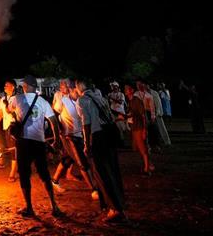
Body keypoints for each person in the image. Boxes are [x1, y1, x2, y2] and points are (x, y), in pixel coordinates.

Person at [10, 76, 64, 219]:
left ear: (26, 86)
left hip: (23, 142)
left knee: (24, 174)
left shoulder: (17, 99)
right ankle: (54, 205)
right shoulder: (43, 102)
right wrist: (57, 139)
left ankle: (29, 207)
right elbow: (53, 121)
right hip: (39, 141)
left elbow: (9, 108)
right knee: (44, 174)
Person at [75, 80, 126, 223]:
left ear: (80, 88)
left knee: (102, 172)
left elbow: (86, 124)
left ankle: (114, 209)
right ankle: (116, 203)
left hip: (98, 137)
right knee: (112, 169)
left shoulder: (83, 100)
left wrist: (86, 144)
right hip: (109, 135)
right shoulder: (100, 96)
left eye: (75, 87)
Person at [52, 79, 99, 200]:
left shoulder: (80, 101)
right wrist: (60, 130)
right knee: (82, 163)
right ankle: (94, 189)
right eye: (76, 90)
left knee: (67, 159)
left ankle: (54, 181)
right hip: (69, 137)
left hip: (79, 135)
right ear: (71, 90)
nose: (78, 93)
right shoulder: (63, 101)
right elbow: (53, 115)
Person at [125, 84, 154, 175]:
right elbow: (131, 114)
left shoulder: (136, 100)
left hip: (139, 127)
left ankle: (147, 169)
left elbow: (143, 115)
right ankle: (149, 164)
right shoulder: (130, 101)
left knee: (142, 148)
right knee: (138, 147)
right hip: (134, 127)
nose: (125, 90)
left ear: (132, 90)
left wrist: (144, 129)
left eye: (127, 89)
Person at [0, 79, 20, 182]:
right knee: (11, 149)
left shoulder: (17, 98)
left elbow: (11, 111)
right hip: (6, 127)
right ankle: (17, 169)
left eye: (7, 85)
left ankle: (12, 173)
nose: (5, 87)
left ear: (13, 87)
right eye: (4, 85)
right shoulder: (3, 99)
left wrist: (6, 105)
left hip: (14, 127)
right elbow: (0, 113)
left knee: (14, 149)